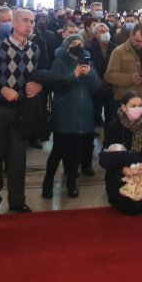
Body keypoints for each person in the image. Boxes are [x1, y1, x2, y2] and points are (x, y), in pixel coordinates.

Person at [0, 8, 48, 214]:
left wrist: (40, 85)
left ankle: (17, 200)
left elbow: (43, 74)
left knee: (18, 158)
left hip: (22, 110)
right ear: (14, 23)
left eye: (32, 22)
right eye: (25, 21)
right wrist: (2, 89)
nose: (29, 25)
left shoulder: (35, 48)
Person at [44, 33, 101, 199]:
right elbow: (56, 85)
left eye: (80, 44)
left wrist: (90, 74)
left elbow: (97, 86)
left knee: (75, 152)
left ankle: (71, 183)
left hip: (83, 114)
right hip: (64, 113)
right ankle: (48, 181)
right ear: (67, 47)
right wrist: (73, 75)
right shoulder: (59, 62)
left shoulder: (87, 61)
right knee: (58, 151)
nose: (78, 47)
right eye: (74, 44)